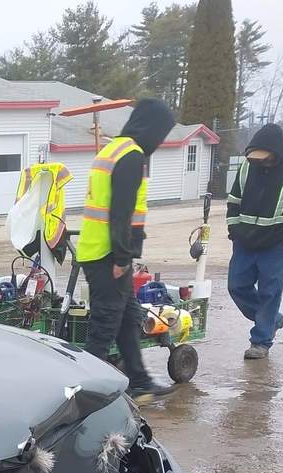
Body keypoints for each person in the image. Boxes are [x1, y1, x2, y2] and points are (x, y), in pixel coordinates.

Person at [76, 98, 178, 404]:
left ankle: (140, 381)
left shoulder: (112, 149)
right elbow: (120, 213)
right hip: (108, 256)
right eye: (161, 134)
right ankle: (82, 393)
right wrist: (123, 258)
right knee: (104, 328)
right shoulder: (131, 157)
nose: (159, 142)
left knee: (128, 317)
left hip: (99, 251)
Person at [226, 124, 283, 360]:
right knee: (236, 286)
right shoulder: (248, 166)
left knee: (269, 294)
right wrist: (234, 230)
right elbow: (234, 202)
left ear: (276, 153)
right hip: (244, 242)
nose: (259, 164)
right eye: (255, 160)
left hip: (275, 246)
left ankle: (260, 342)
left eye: (264, 160)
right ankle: (273, 319)